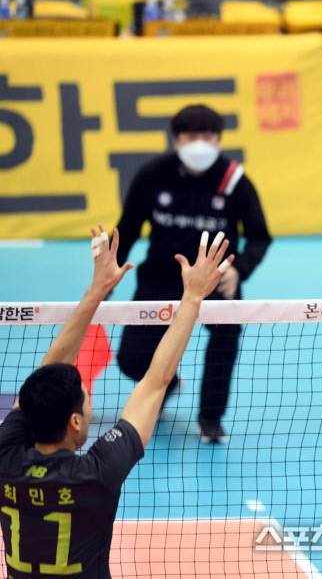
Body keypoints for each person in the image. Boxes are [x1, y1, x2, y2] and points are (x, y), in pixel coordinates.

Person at [0, 225, 234, 577]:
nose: (90, 405)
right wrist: (193, 297)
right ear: (75, 422)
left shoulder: (6, 457)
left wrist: (96, 290)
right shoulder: (96, 474)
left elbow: (47, 372)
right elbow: (155, 383)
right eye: (86, 401)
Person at [115, 104, 272, 443]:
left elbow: (260, 236)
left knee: (224, 340)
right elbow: (127, 229)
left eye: (208, 136)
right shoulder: (152, 175)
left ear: (219, 140)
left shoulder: (234, 181)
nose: (200, 143)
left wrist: (239, 270)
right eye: (191, 136)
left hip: (215, 279)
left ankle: (210, 417)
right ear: (176, 140)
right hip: (161, 277)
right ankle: (167, 382)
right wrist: (108, 278)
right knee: (130, 359)